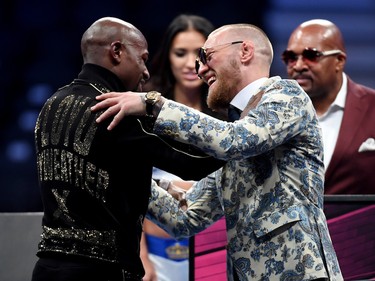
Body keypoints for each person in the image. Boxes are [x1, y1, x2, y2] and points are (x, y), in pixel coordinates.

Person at [91, 23, 343, 281]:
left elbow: (236, 140)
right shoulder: (234, 136)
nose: (199, 69)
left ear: (244, 51)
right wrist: (125, 174)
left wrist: (153, 104)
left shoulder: (288, 96)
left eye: (206, 56)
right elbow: (184, 217)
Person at [31, 16, 224, 281]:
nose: (146, 71)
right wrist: (154, 103)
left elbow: (97, 172)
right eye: (142, 58)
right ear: (117, 51)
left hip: (47, 269)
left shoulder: (51, 104)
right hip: (102, 270)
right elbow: (200, 160)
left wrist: (159, 184)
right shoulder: (118, 112)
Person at [139, 14, 227, 281]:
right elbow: (125, 187)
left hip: (217, 253)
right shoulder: (143, 112)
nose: (191, 64)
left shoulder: (231, 118)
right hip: (154, 257)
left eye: (199, 54)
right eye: (180, 53)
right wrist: (139, 256)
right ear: (167, 57)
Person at [282, 19, 375, 194]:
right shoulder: (272, 114)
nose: (299, 66)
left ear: (339, 60)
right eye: (291, 57)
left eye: (311, 56)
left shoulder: (372, 107)